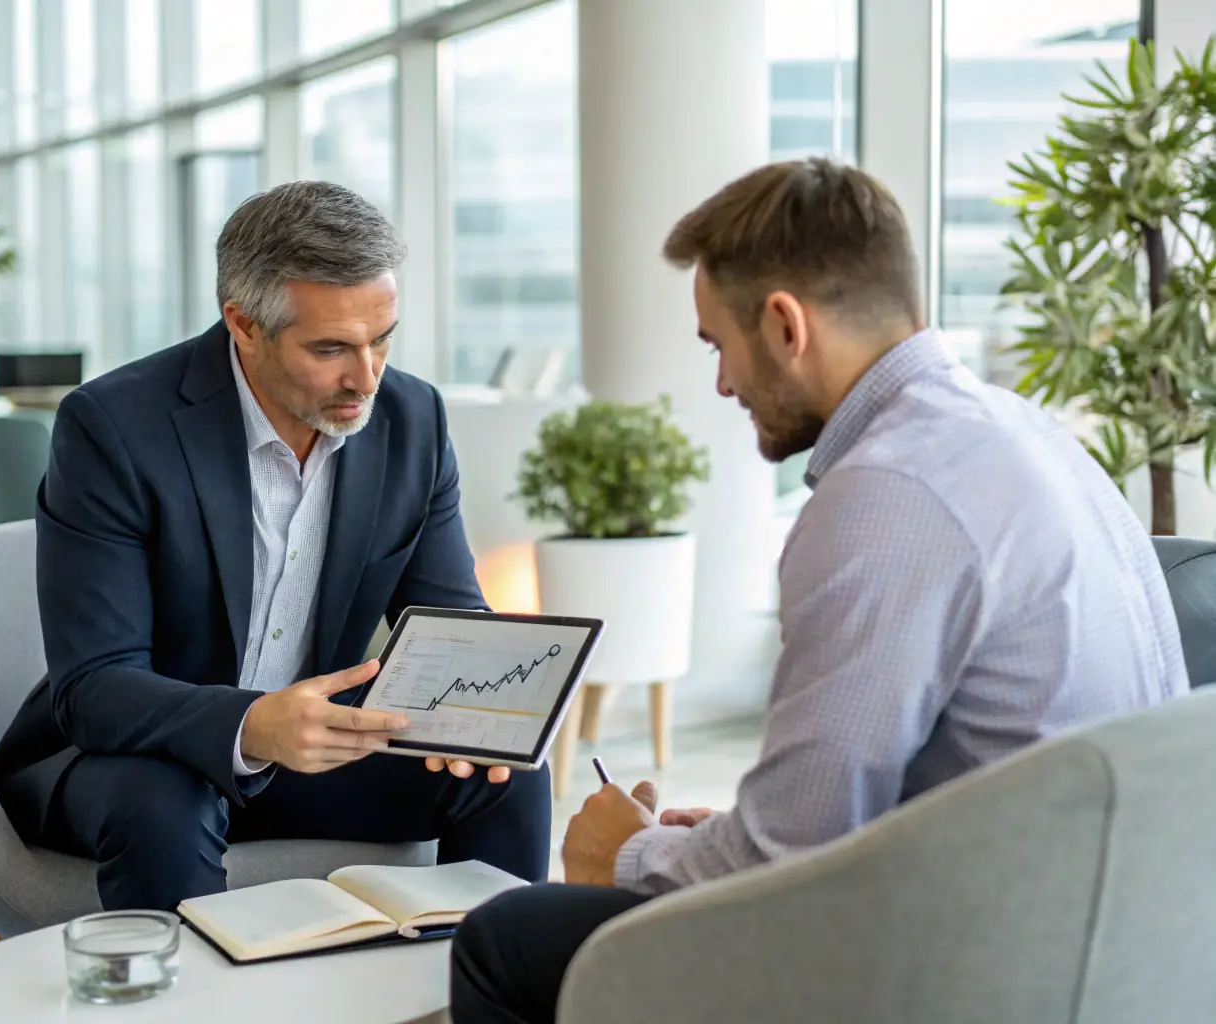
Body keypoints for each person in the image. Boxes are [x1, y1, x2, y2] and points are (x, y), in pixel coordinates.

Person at [448, 158, 1190, 1023]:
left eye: (716, 345)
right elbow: (862, 804)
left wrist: (626, 854)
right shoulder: (1027, 435)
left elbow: (781, 858)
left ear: (783, 324)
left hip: (971, 968)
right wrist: (716, 835)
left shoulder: (886, 495)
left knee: (507, 939)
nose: (722, 383)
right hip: (1121, 945)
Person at [0, 181, 551, 913]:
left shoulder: (410, 418)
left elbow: (449, 624)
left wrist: (493, 713)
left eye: (381, 339)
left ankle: (485, 994)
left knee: (504, 774)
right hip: (130, 758)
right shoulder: (114, 427)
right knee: (165, 801)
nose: (366, 377)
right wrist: (252, 724)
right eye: (330, 349)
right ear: (243, 325)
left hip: (309, 756)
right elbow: (93, 687)